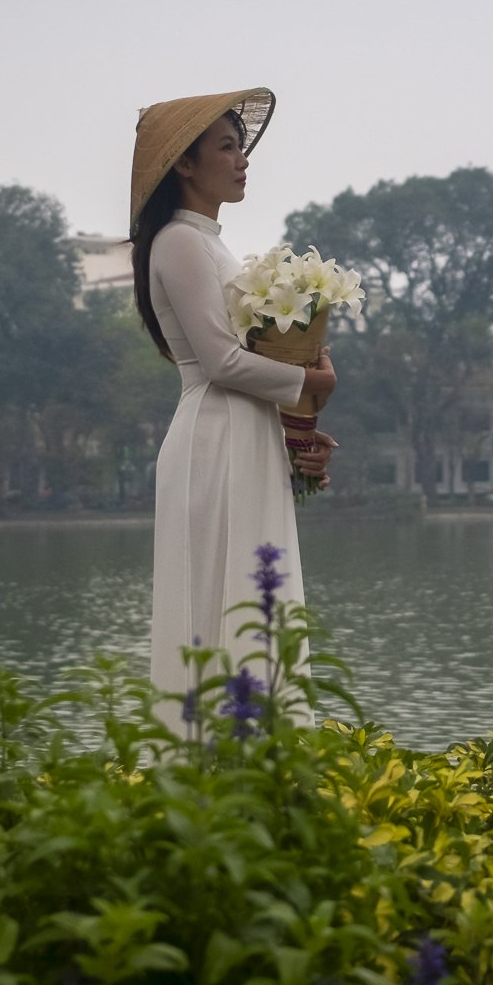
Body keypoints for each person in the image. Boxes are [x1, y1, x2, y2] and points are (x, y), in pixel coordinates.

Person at [127, 89, 338, 713]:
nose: (241, 159)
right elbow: (220, 362)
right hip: (213, 438)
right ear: (185, 165)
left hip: (246, 434)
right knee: (217, 599)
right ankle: (210, 759)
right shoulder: (178, 242)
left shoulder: (213, 244)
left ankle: (257, 762)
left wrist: (299, 432)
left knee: (254, 597)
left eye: (240, 146)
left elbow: (251, 363)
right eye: (226, 147)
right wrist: (309, 384)